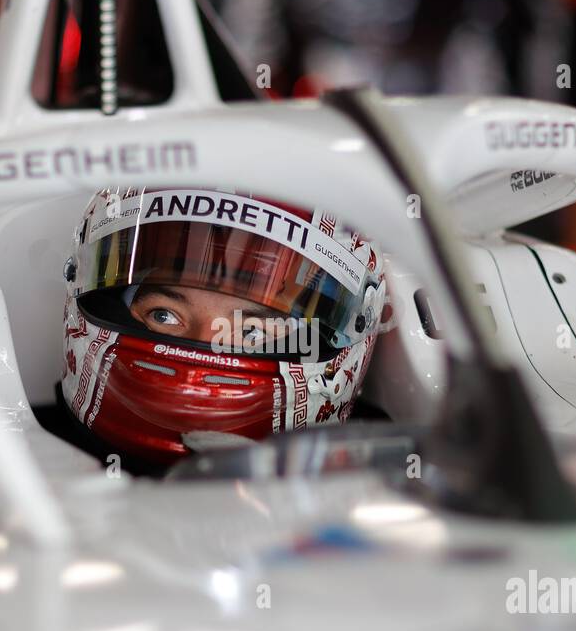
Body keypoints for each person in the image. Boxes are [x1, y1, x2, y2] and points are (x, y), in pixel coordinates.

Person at [59, 186, 387, 464]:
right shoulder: (13, 457)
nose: (207, 342)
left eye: (252, 332)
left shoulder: (390, 487)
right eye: (164, 315)